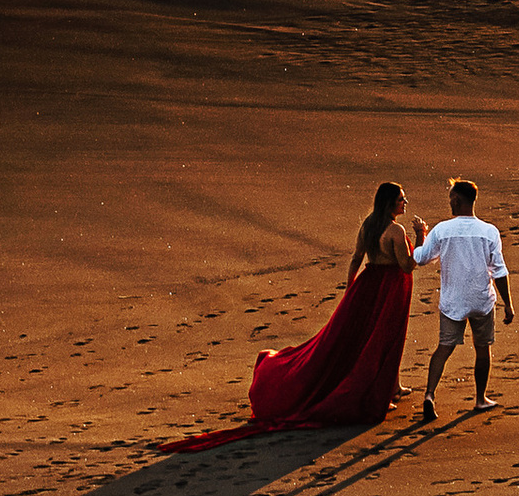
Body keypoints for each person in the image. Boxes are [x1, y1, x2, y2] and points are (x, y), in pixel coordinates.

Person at [156, 181, 415, 451]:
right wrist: (421, 237)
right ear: (389, 203)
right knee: (384, 337)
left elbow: (355, 258)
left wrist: (351, 290)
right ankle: (381, 392)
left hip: (366, 286)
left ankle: (393, 385)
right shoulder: (395, 230)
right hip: (389, 288)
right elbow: (407, 265)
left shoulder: (368, 225)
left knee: (365, 338)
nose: (404, 203)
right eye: (401, 199)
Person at [412, 179, 513, 423]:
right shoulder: (488, 231)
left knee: (444, 348)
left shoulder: (443, 230)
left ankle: (429, 395)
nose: (450, 203)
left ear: (457, 200)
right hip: (481, 299)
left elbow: (421, 258)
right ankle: (480, 398)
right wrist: (508, 304)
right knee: (482, 348)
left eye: (451, 199)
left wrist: (419, 236)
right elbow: (499, 271)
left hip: (452, 300)